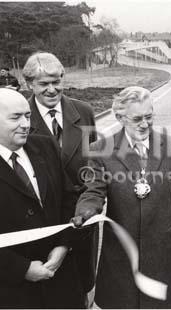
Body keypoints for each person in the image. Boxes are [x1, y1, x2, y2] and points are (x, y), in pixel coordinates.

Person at [72, 86, 171, 308]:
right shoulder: (101, 149)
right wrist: (85, 212)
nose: (144, 124)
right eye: (137, 119)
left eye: (149, 117)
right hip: (121, 249)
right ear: (119, 117)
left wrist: (166, 226)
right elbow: (94, 191)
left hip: (164, 247)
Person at [22, 51, 97, 302]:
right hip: (44, 221)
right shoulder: (18, 117)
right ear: (28, 84)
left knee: (83, 281)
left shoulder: (84, 111)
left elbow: (93, 160)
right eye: (44, 84)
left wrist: (92, 201)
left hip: (82, 217)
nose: (52, 90)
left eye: (57, 82)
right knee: (50, 287)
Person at [0, 88, 84, 308]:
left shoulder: (45, 145)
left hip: (62, 280)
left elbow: (69, 199)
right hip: (12, 292)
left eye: (27, 116)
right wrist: (22, 270)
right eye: (15, 118)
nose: (26, 124)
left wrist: (64, 246)